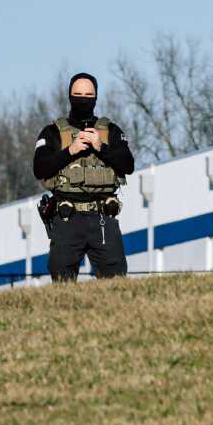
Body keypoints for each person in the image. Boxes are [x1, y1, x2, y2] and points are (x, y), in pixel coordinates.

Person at [32, 72, 134, 281]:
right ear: (69, 96)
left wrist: (100, 147)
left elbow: (128, 164)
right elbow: (39, 168)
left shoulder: (110, 131)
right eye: (77, 94)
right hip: (67, 218)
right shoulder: (52, 133)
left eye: (88, 95)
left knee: (116, 282)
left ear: (96, 97)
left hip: (103, 216)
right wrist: (70, 150)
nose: (83, 99)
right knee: (62, 283)